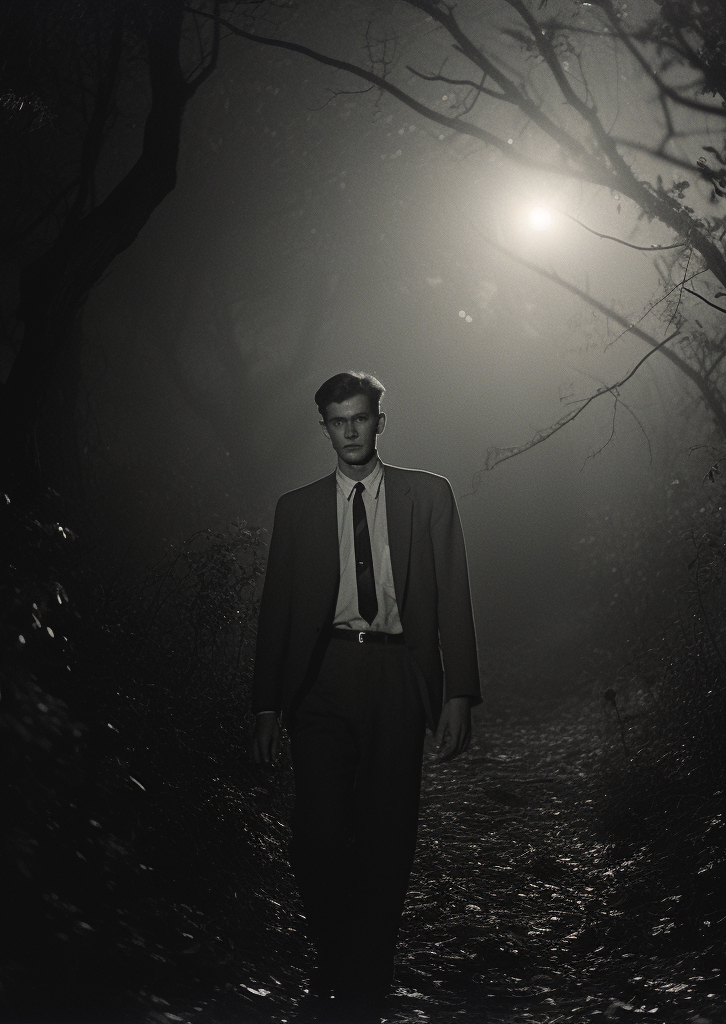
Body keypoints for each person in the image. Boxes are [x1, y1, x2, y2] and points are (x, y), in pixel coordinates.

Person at [250, 371, 481, 1022]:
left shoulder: (429, 497)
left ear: (380, 421)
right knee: (316, 837)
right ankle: (335, 953)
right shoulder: (295, 510)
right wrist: (266, 705)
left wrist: (459, 690)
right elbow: (277, 611)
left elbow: (455, 593)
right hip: (320, 677)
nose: (349, 430)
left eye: (360, 417)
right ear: (323, 426)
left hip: (396, 676)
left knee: (387, 833)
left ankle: (364, 979)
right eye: (336, 420)